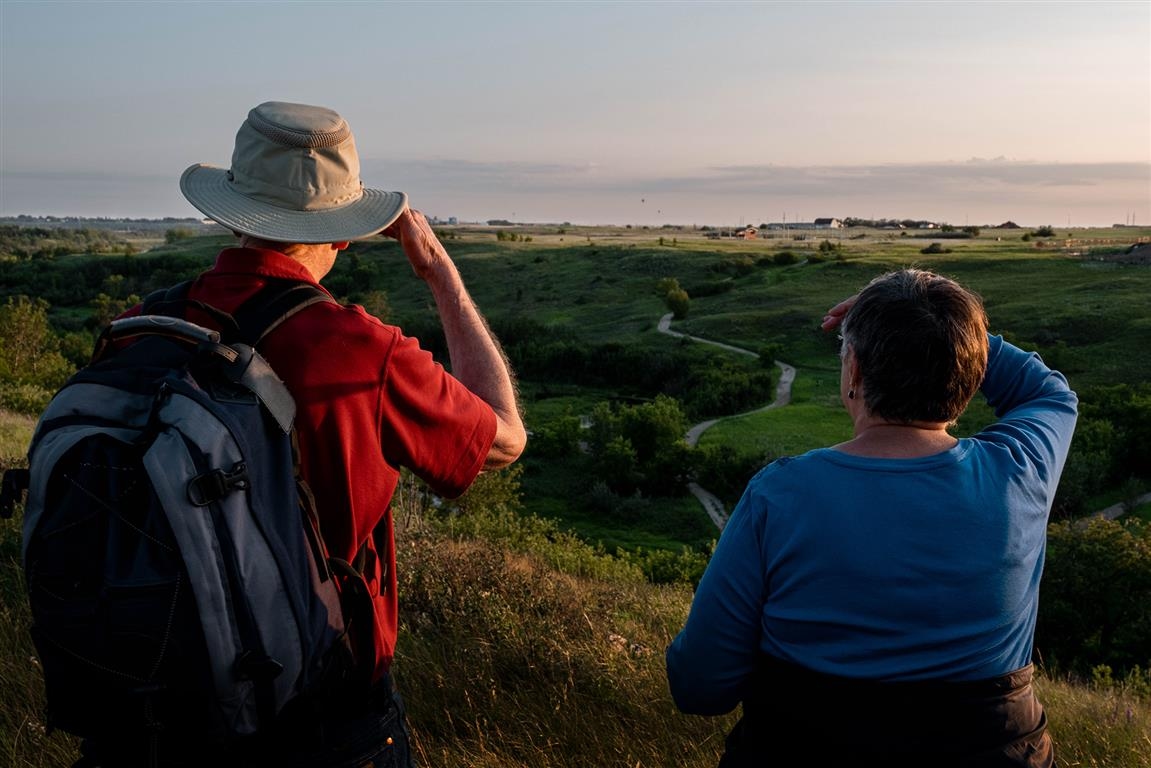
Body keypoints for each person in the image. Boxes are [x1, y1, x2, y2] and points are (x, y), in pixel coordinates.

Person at [75, 101, 526, 767]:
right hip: (317, 718)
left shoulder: (142, 327)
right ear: (344, 234)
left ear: (227, 211)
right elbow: (505, 440)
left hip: (144, 707)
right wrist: (440, 275)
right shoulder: (361, 352)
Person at [665, 268, 1078, 767]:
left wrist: (911, 321)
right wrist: (951, 333)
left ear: (855, 371)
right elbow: (1049, 394)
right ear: (970, 371)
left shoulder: (781, 494)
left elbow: (699, 687)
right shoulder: (1019, 472)